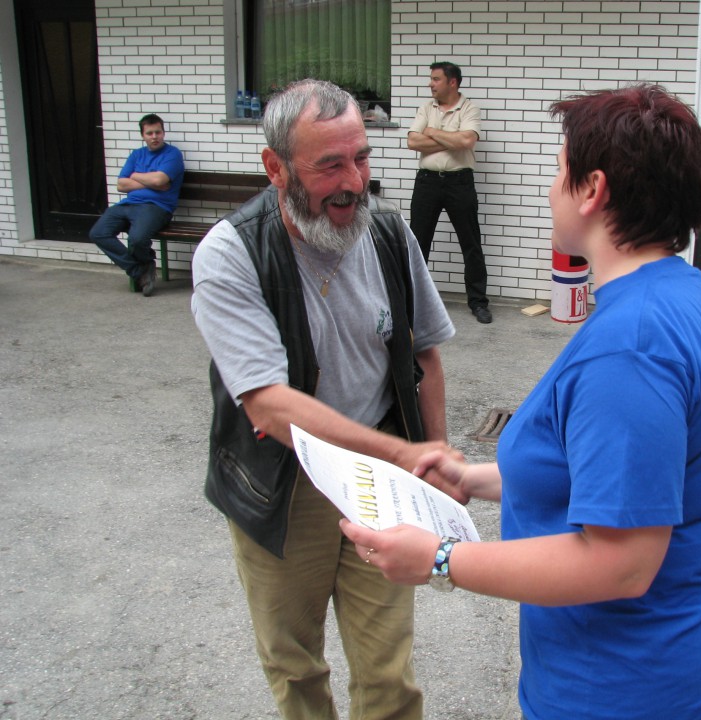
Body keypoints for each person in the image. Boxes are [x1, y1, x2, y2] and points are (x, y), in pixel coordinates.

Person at [343, 84, 701, 720]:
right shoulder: (677, 290)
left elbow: (620, 566)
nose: (550, 189)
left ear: (592, 191)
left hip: (630, 684)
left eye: (559, 170)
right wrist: (475, 478)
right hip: (686, 648)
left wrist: (439, 560)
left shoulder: (630, 347)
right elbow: (613, 474)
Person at [191, 79, 463, 720]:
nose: (353, 182)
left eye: (362, 157)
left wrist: (434, 450)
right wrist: (401, 450)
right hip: (283, 485)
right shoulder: (232, 254)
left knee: (389, 673)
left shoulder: (391, 234)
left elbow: (425, 354)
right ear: (275, 167)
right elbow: (269, 405)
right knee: (296, 666)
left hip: (379, 484)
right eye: (329, 165)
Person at [408, 61, 492, 324]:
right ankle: (412, 303)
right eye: (431, 79)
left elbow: (467, 141)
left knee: (471, 244)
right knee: (418, 244)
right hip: (427, 182)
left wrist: (431, 132)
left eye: (435, 79)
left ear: (452, 82)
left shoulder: (469, 108)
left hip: (460, 183)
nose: (430, 84)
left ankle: (478, 302)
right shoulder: (425, 107)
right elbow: (412, 141)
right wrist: (449, 138)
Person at [89, 113, 184, 296]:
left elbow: (159, 179)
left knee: (137, 238)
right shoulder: (136, 154)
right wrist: (151, 182)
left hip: (156, 207)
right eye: (150, 133)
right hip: (128, 204)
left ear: (163, 133)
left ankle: (143, 270)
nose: (154, 137)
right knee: (98, 233)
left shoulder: (172, 154)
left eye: (158, 132)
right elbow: (121, 185)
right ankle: (140, 271)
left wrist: (134, 176)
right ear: (143, 135)